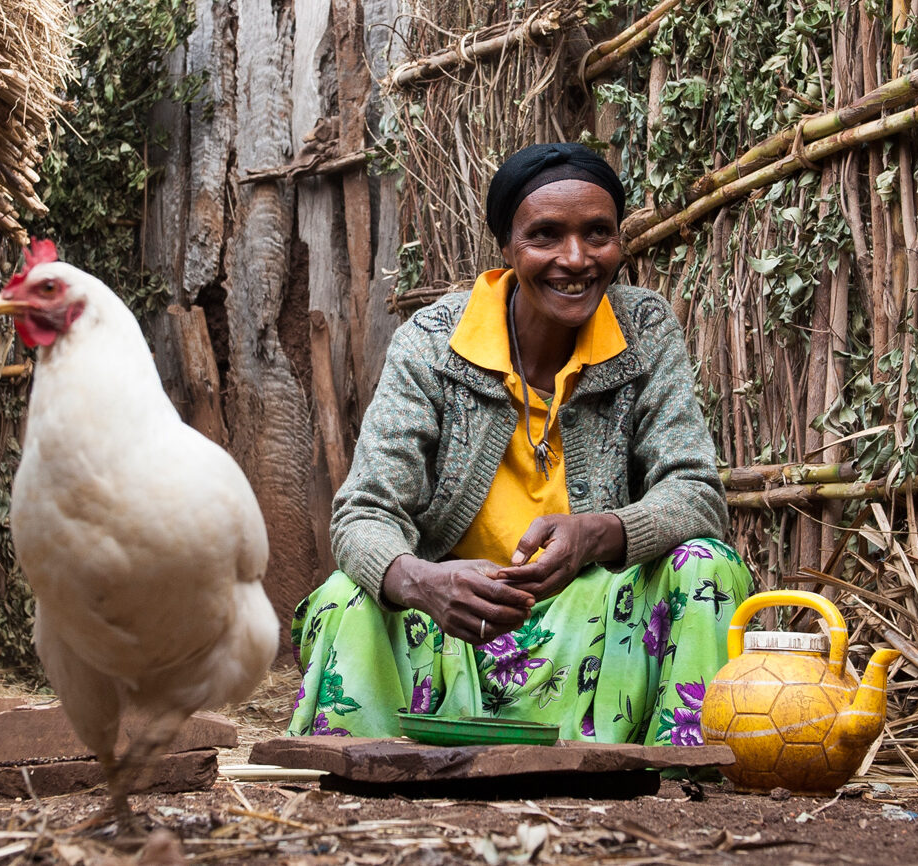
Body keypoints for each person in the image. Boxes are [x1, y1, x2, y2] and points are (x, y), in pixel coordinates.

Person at [288, 143, 754, 746]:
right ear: (507, 248)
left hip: (592, 639)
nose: (576, 258)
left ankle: (677, 789)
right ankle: (377, 768)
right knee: (348, 594)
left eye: (598, 233)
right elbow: (364, 513)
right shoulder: (431, 344)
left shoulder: (644, 329)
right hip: (449, 637)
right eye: (545, 236)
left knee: (708, 568)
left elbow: (696, 492)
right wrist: (425, 582)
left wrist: (596, 533)